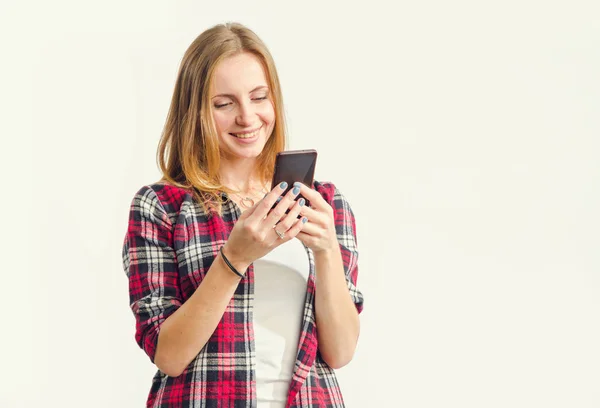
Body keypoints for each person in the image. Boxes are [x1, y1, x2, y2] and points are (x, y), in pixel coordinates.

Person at [122, 22, 364, 408]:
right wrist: (234, 257)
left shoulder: (325, 204)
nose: (248, 117)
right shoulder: (160, 207)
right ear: (195, 111)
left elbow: (341, 352)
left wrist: (326, 250)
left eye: (259, 97)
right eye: (224, 103)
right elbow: (168, 355)